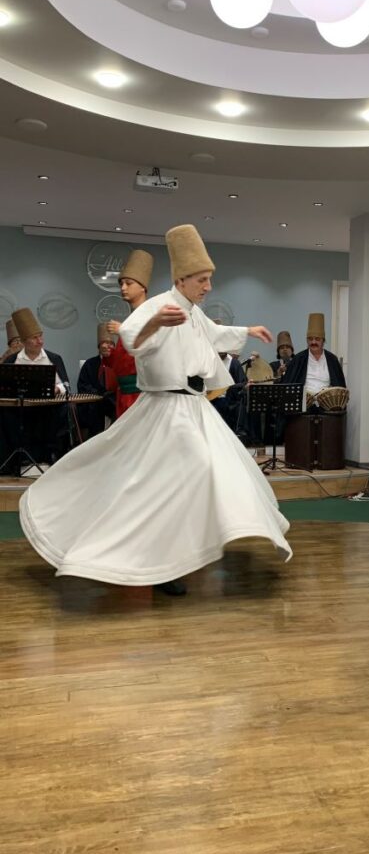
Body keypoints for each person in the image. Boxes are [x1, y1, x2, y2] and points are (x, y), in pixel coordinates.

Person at [19, 224, 292, 596]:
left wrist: (248, 329)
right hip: (166, 409)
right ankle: (157, 561)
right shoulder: (158, 306)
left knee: (220, 471)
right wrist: (155, 322)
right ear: (182, 279)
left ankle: (195, 544)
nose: (208, 286)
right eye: (203, 279)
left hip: (193, 408)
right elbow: (130, 338)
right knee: (159, 483)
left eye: (209, 279)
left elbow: (214, 333)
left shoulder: (193, 311)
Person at [0, 308, 70, 473]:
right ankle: (15, 460)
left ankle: (48, 457)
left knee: (58, 413)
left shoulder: (53, 358)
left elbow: (66, 385)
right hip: (20, 410)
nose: (40, 341)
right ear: (24, 341)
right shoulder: (12, 361)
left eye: (41, 336)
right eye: (34, 338)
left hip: (47, 408)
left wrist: (57, 389)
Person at [104, 250, 153, 418]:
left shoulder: (151, 317)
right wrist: (109, 355)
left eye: (128, 283)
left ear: (142, 287)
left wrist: (123, 331)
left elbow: (150, 350)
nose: (123, 288)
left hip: (140, 396)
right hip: (124, 395)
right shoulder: (132, 318)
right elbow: (122, 363)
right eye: (121, 284)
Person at [283, 313, 346, 396]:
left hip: (326, 405)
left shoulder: (332, 359)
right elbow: (287, 385)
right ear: (307, 340)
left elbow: (340, 387)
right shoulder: (298, 359)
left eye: (317, 339)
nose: (313, 342)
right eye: (310, 339)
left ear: (323, 341)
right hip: (304, 404)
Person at [76, 324, 118, 439]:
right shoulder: (90, 364)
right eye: (103, 343)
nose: (107, 346)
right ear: (98, 346)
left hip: (114, 400)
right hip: (95, 401)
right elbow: (83, 386)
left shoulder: (119, 363)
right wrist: (99, 394)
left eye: (110, 343)